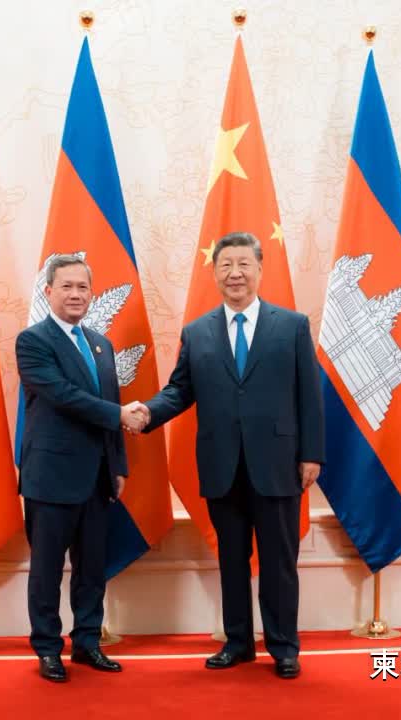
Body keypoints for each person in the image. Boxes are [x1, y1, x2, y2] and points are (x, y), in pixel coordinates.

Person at [136, 231, 325, 679]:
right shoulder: (197, 332)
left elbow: (310, 395)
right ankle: (238, 642)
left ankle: (283, 647)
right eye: (226, 265)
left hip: (278, 464)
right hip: (222, 464)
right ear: (215, 272)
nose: (235, 273)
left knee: (279, 562)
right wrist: (147, 412)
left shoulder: (292, 326)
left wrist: (312, 454)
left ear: (259, 269)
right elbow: (180, 390)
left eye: (243, 264)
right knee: (231, 560)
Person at [15, 254, 149, 683]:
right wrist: (119, 416)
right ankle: (48, 649)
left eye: (83, 287)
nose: (75, 294)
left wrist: (119, 465)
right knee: (47, 570)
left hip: (97, 477)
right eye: (66, 286)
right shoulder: (32, 341)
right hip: (51, 476)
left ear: (92, 293)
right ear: (49, 291)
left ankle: (88, 643)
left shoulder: (100, 344)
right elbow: (62, 395)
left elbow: (109, 401)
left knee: (92, 568)